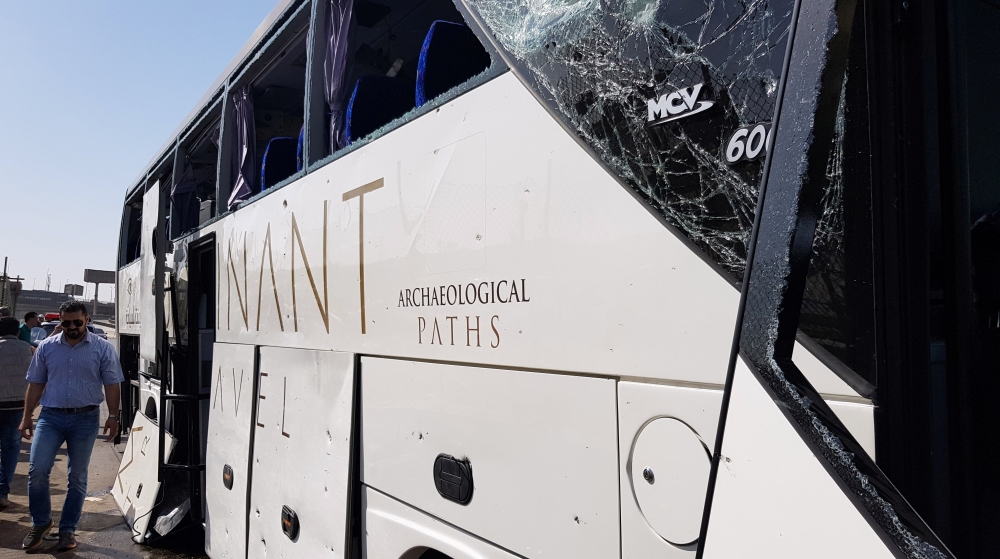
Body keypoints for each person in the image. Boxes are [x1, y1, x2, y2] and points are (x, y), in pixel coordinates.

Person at [19, 301, 123, 552]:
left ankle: (67, 530)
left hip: (85, 419)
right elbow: (35, 383)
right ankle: (41, 523)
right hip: (50, 418)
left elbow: (112, 383)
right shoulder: (47, 347)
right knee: (37, 470)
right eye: (67, 323)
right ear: (61, 322)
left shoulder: (103, 348)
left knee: (77, 476)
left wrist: (113, 416)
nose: (72, 327)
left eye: (78, 322)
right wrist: (27, 416)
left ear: (87, 320)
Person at [0, 316, 32, 511]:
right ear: (18, 332)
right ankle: (2, 493)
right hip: (18, 406)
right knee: (11, 449)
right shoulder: (26, 348)